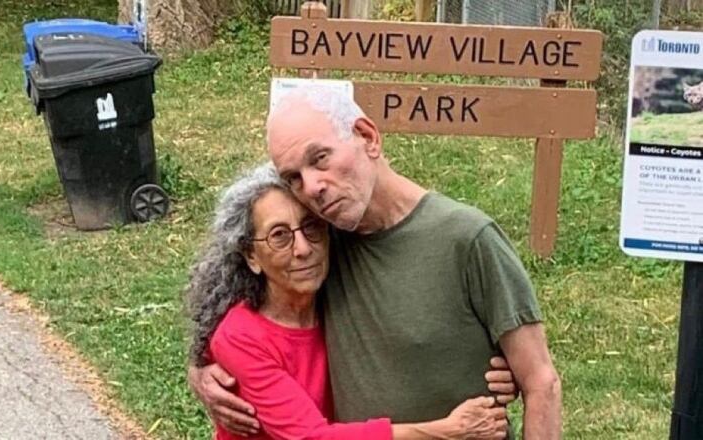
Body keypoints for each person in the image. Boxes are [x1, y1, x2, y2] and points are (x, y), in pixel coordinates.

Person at [190, 86, 561, 439]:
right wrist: (202, 372)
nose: (313, 187)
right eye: (294, 178)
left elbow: (541, 381)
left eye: (320, 158)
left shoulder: (467, 238)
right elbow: (242, 317)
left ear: (368, 136)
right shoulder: (318, 245)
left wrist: (510, 374)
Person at [187, 164, 509, 439]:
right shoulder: (240, 335)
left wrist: (489, 370)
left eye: (311, 227)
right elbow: (312, 437)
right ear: (251, 256)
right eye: (279, 236)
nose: (302, 248)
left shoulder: (334, 293)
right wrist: (447, 430)